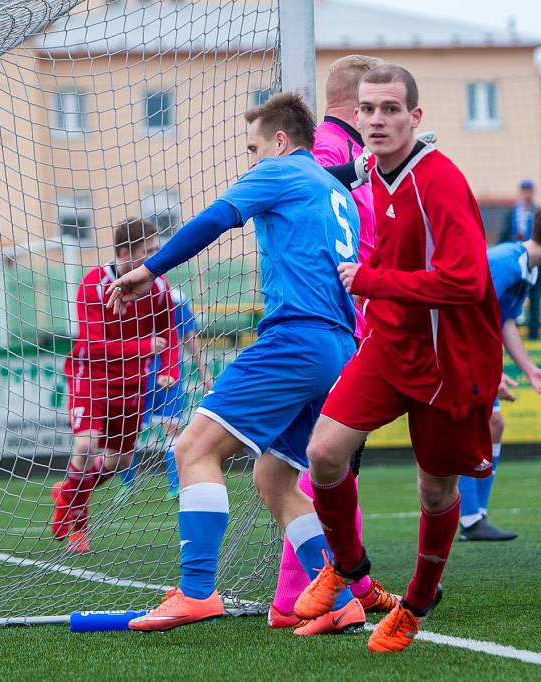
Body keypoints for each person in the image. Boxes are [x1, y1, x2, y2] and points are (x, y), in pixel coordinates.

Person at [108, 92, 391, 635]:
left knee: (193, 448)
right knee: (275, 478)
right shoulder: (334, 188)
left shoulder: (280, 173)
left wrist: (150, 268)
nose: (251, 161)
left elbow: (216, 218)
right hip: (338, 350)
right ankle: (335, 599)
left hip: (296, 338)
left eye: (254, 148)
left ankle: (196, 593)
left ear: (281, 144)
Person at [293, 64, 503, 654]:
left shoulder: (440, 181)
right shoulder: (370, 166)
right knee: (324, 453)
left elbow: (465, 281)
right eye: (367, 109)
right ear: (354, 116)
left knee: (435, 493)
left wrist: (373, 281)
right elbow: (339, 172)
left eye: (390, 109)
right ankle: (349, 570)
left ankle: (414, 604)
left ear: (416, 117)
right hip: (388, 347)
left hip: (445, 362)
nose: (377, 119)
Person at [268, 54, 399, 630]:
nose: (379, 116)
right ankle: (332, 590)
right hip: (330, 328)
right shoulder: (328, 147)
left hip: (339, 325)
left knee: (319, 465)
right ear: (354, 103)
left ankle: (315, 590)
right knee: (328, 466)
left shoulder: (347, 149)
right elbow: (312, 185)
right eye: (373, 105)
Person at [50, 218, 179, 553]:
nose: (155, 258)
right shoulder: (93, 284)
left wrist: (170, 368)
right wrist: (145, 349)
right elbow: (92, 346)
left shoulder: (160, 287)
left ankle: (67, 492)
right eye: (148, 252)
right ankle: (78, 523)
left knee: (119, 462)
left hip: (131, 383)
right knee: (85, 445)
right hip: (90, 377)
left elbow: (170, 334)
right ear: (124, 253)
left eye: (157, 251)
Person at [459, 205, 541, 542]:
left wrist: (529, 369)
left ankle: (476, 517)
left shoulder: (527, 270)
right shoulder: (505, 263)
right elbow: (470, 314)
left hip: (473, 353)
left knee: (493, 423)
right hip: (454, 347)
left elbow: (503, 320)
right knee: (467, 431)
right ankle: (469, 519)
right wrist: (487, 371)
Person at [120, 286, 212, 498]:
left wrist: (204, 372)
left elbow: (188, 335)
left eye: (154, 250)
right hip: (135, 375)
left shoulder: (175, 297)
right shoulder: (125, 293)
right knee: (127, 430)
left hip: (168, 373)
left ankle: (176, 486)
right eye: (147, 250)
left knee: (173, 429)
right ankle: (127, 485)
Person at [500, 180, 541, 339]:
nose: (527, 194)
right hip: (516, 267)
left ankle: (534, 336)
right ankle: (512, 337)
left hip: (536, 266)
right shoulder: (512, 214)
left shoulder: (539, 213)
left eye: (530, 190)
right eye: (524, 190)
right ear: (521, 193)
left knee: (535, 304)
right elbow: (503, 239)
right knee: (512, 302)